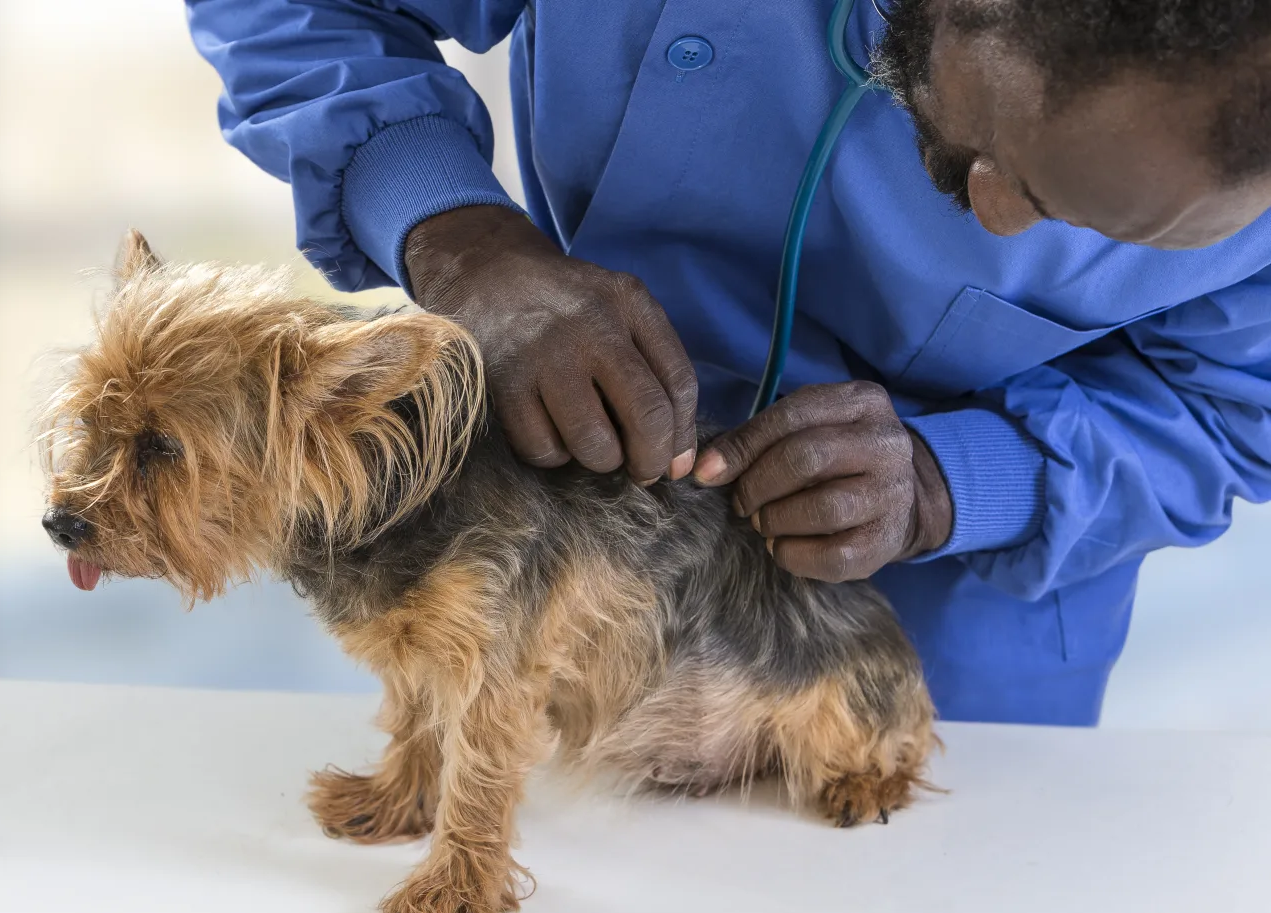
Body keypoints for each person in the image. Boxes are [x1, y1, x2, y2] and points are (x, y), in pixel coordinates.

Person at [185, 0, 1271, 725]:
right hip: (569, 589)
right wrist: (460, 238)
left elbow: (1227, 415)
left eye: (1089, 225)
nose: (993, 218)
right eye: (986, 147)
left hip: (952, 663)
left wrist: (957, 482)